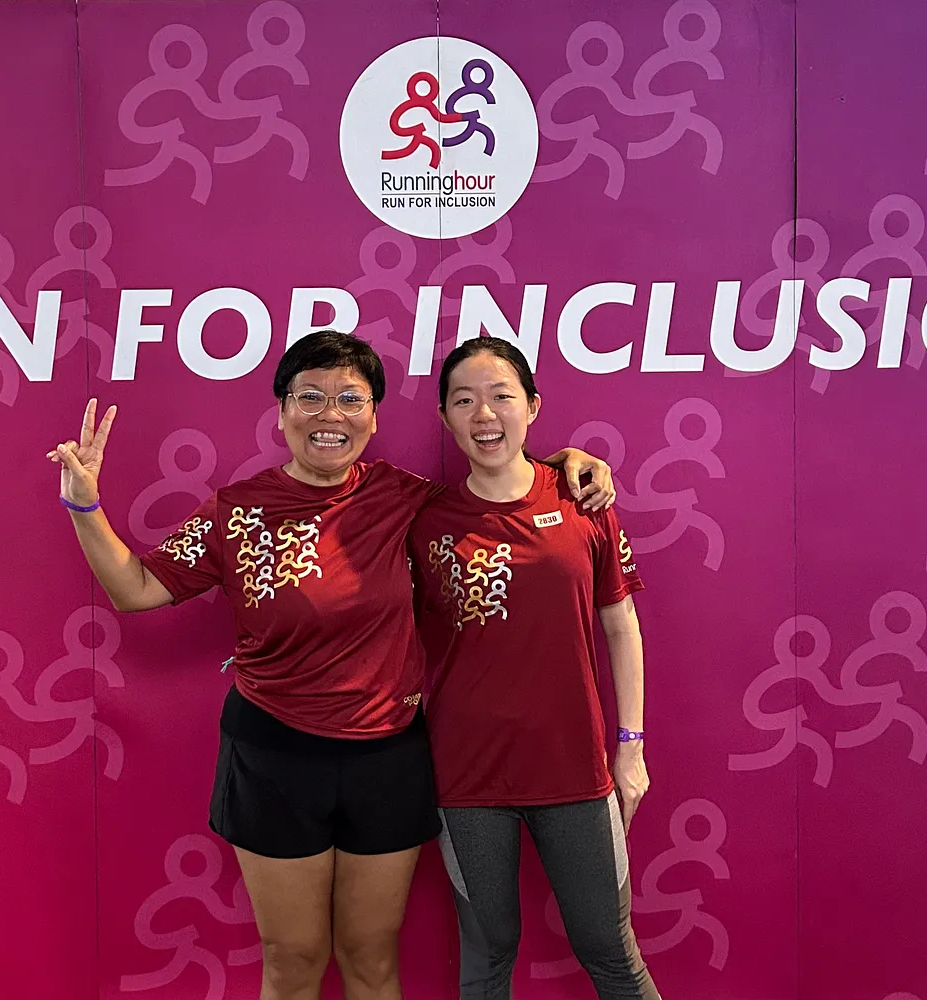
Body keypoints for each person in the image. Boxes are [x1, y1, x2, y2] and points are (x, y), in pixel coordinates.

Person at [45, 331, 615, 1000]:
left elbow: (498, 479)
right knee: (294, 961)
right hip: (273, 758)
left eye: (350, 399)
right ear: (282, 411)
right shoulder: (238, 512)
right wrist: (83, 504)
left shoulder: (408, 500)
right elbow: (136, 589)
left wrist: (570, 463)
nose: (330, 415)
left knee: (371, 957)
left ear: (373, 416)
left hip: (388, 759)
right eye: (309, 397)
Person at [410, 337, 660, 1000]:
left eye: (501, 396)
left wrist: (630, 747)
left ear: (532, 407)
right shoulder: (425, 521)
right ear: (445, 418)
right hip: (465, 777)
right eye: (464, 400)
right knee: (487, 956)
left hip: (574, 769)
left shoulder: (584, 500)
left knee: (610, 950)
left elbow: (620, 625)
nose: (483, 413)